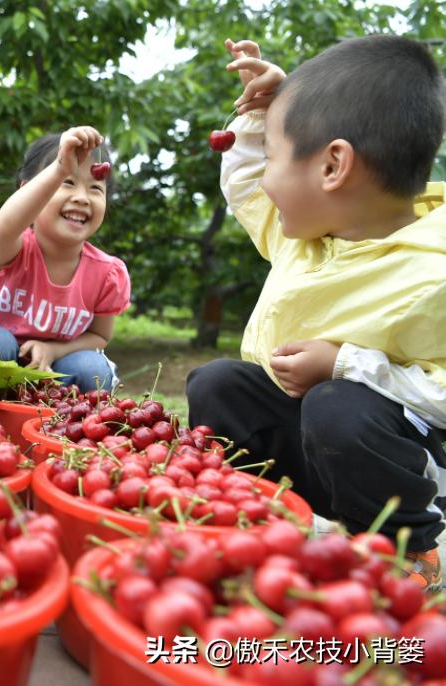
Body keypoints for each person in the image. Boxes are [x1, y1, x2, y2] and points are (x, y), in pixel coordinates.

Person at [186, 36, 446, 590]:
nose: (265, 177)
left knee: (337, 404)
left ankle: (408, 554)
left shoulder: (434, 272)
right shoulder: (306, 236)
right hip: (317, 455)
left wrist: (348, 365)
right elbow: (246, 188)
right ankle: (258, 516)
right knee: (220, 383)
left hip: (395, 469)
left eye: (274, 159)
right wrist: (266, 117)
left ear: (333, 166)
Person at [0, 126, 130, 391]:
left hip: (52, 377)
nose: (82, 198)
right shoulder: (15, 248)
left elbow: (99, 336)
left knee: (93, 369)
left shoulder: (107, 273)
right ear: (30, 191)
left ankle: (60, 428)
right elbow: (5, 224)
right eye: (67, 182)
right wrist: (60, 166)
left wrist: (52, 350)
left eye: (95, 188)